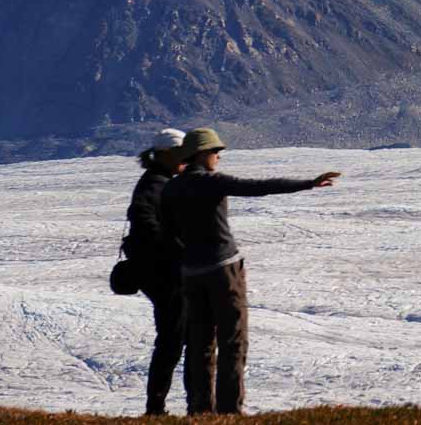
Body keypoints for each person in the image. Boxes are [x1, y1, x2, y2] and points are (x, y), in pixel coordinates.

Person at [160, 127, 340, 415]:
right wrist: (309, 183)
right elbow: (259, 186)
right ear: (202, 154)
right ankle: (230, 412)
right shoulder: (211, 182)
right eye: (216, 152)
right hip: (223, 271)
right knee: (232, 341)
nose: (219, 156)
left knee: (200, 343)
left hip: (192, 275)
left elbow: (168, 233)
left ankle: (200, 411)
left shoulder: (171, 188)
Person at [124, 128, 189, 416]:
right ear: (166, 154)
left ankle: (158, 407)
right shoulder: (155, 184)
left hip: (158, 272)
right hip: (163, 275)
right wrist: (171, 247)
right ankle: (156, 408)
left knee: (173, 338)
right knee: (172, 339)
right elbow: (141, 214)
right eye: (181, 154)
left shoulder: (156, 180)